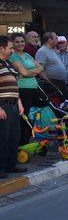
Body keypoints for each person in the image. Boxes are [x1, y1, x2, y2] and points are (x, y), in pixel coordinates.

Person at [0, 36, 28, 179]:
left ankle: (11, 165)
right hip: (2, 105)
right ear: (1, 48)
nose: (12, 50)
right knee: (2, 138)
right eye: (10, 48)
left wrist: (19, 103)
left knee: (14, 137)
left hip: (13, 105)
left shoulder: (9, 64)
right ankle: (1, 168)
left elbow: (14, 85)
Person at [9, 33, 44, 144]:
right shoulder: (13, 56)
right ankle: (22, 144)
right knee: (24, 118)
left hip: (33, 89)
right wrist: (32, 72)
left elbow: (41, 67)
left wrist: (29, 73)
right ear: (13, 44)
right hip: (23, 90)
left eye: (22, 41)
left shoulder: (27, 55)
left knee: (35, 116)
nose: (20, 44)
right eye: (17, 42)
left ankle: (32, 141)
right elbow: (23, 72)